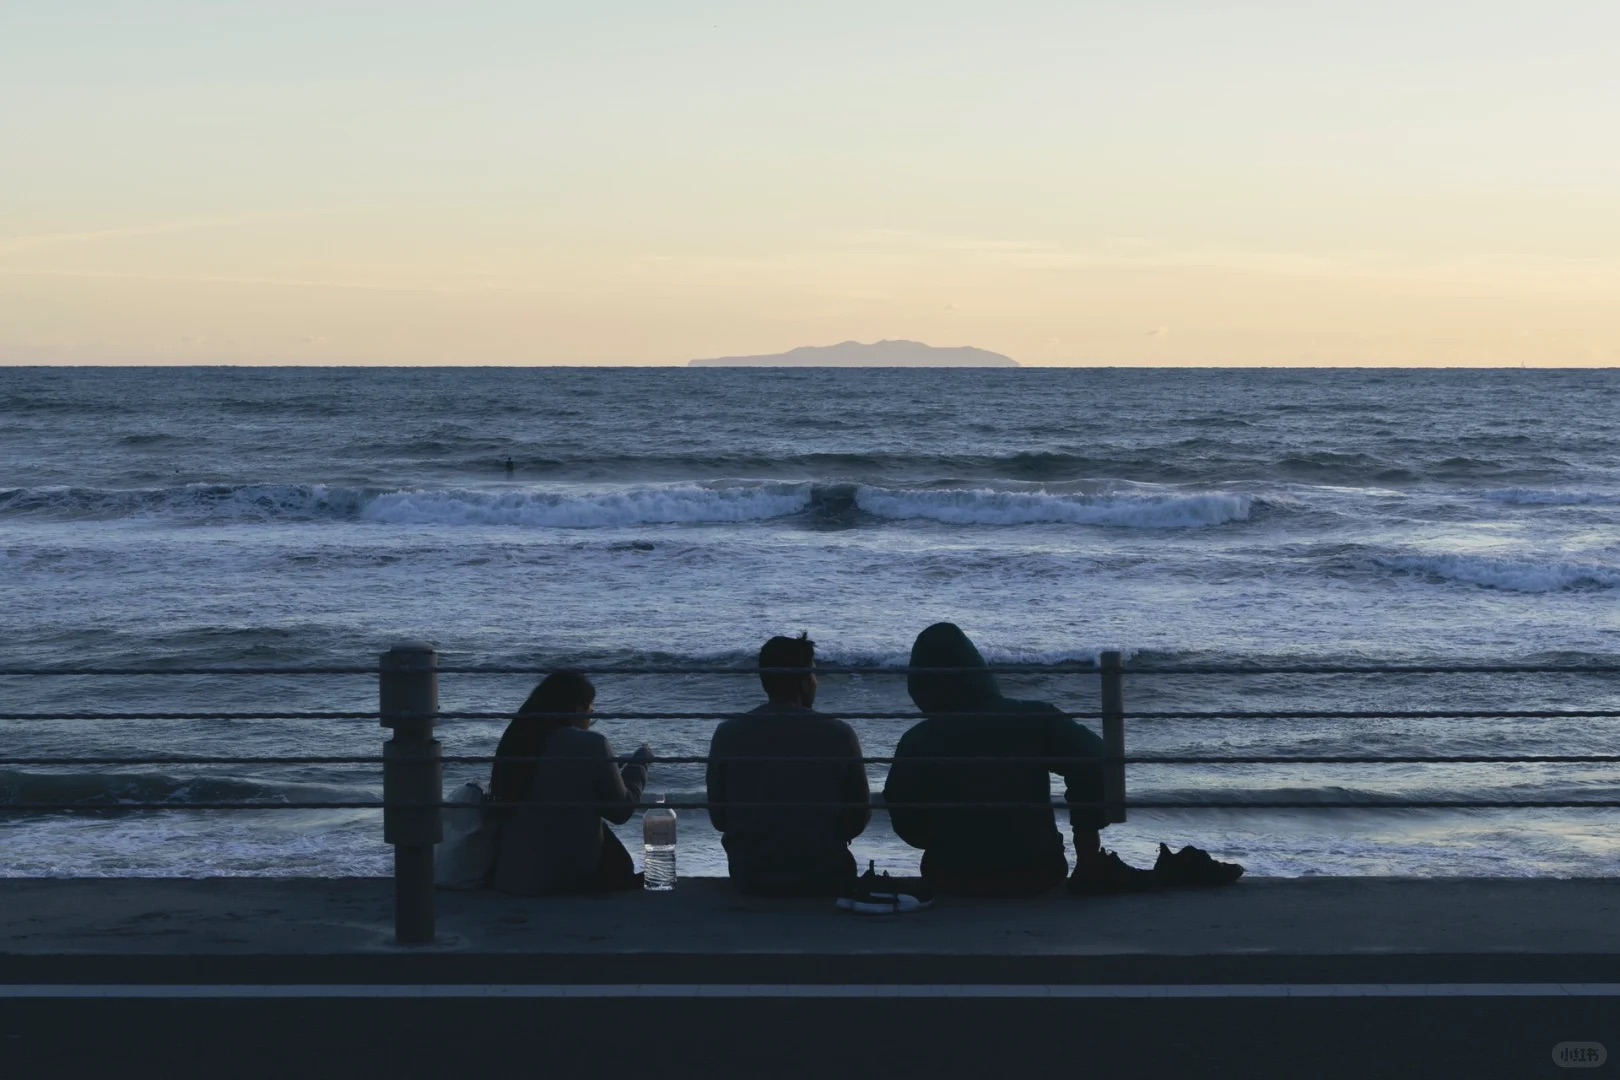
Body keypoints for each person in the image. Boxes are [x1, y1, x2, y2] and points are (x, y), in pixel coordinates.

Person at [884, 623, 1243, 897]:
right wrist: (1085, 847)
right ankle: (1091, 863)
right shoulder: (1033, 718)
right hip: (1038, 874)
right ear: (979, 672)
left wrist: (955, 841)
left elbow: (907, 825)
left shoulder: (916, 741)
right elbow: (1095, 757)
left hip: (950, 878)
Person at [706, 633, 871, 896]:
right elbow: (858, 819)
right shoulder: (839, 734)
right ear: (806, 681)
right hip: (826, 875)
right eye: (815, 675)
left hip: (750, 877)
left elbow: (719, 818)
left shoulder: (728, 733)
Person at [491, 670, 655, 895]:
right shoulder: (593, 743)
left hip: (514, 876)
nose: (590, 720)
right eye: (591, 711)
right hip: (569, 880)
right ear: (578, 708)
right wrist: (640, 762)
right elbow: (620, 811)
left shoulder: (516, 739)